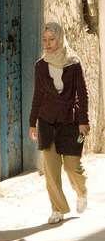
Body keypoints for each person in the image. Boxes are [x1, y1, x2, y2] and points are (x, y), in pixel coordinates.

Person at [29, 22, 90, 224]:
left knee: (73, 167)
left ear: (60, 38)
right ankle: (58, 209)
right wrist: (32, 123)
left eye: (52, 39)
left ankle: (81, 191)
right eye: (44, 40)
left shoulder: (73, 63)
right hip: (46, 123)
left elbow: (82, 93)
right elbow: (37, 96)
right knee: (51, 170)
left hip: (71, 123)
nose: (47, 44)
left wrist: (84, 121)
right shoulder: (40, 65)